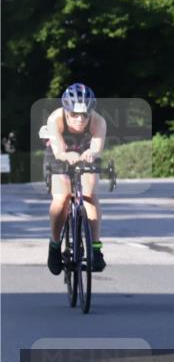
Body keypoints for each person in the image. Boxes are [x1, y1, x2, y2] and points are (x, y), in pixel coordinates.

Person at [45, 83, 108, 274]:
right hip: (60, 154)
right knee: (62, 196)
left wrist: (91, 153)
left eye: (85, 115)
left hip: (85, 152)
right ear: (66, 111)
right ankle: (55, 247)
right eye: (74, 114)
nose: (80, 120)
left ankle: (96, 249)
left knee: (89, 192)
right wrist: (66, 156)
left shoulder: (99, 121)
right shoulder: (55, 119)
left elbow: (97, 147)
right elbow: (58, 151)